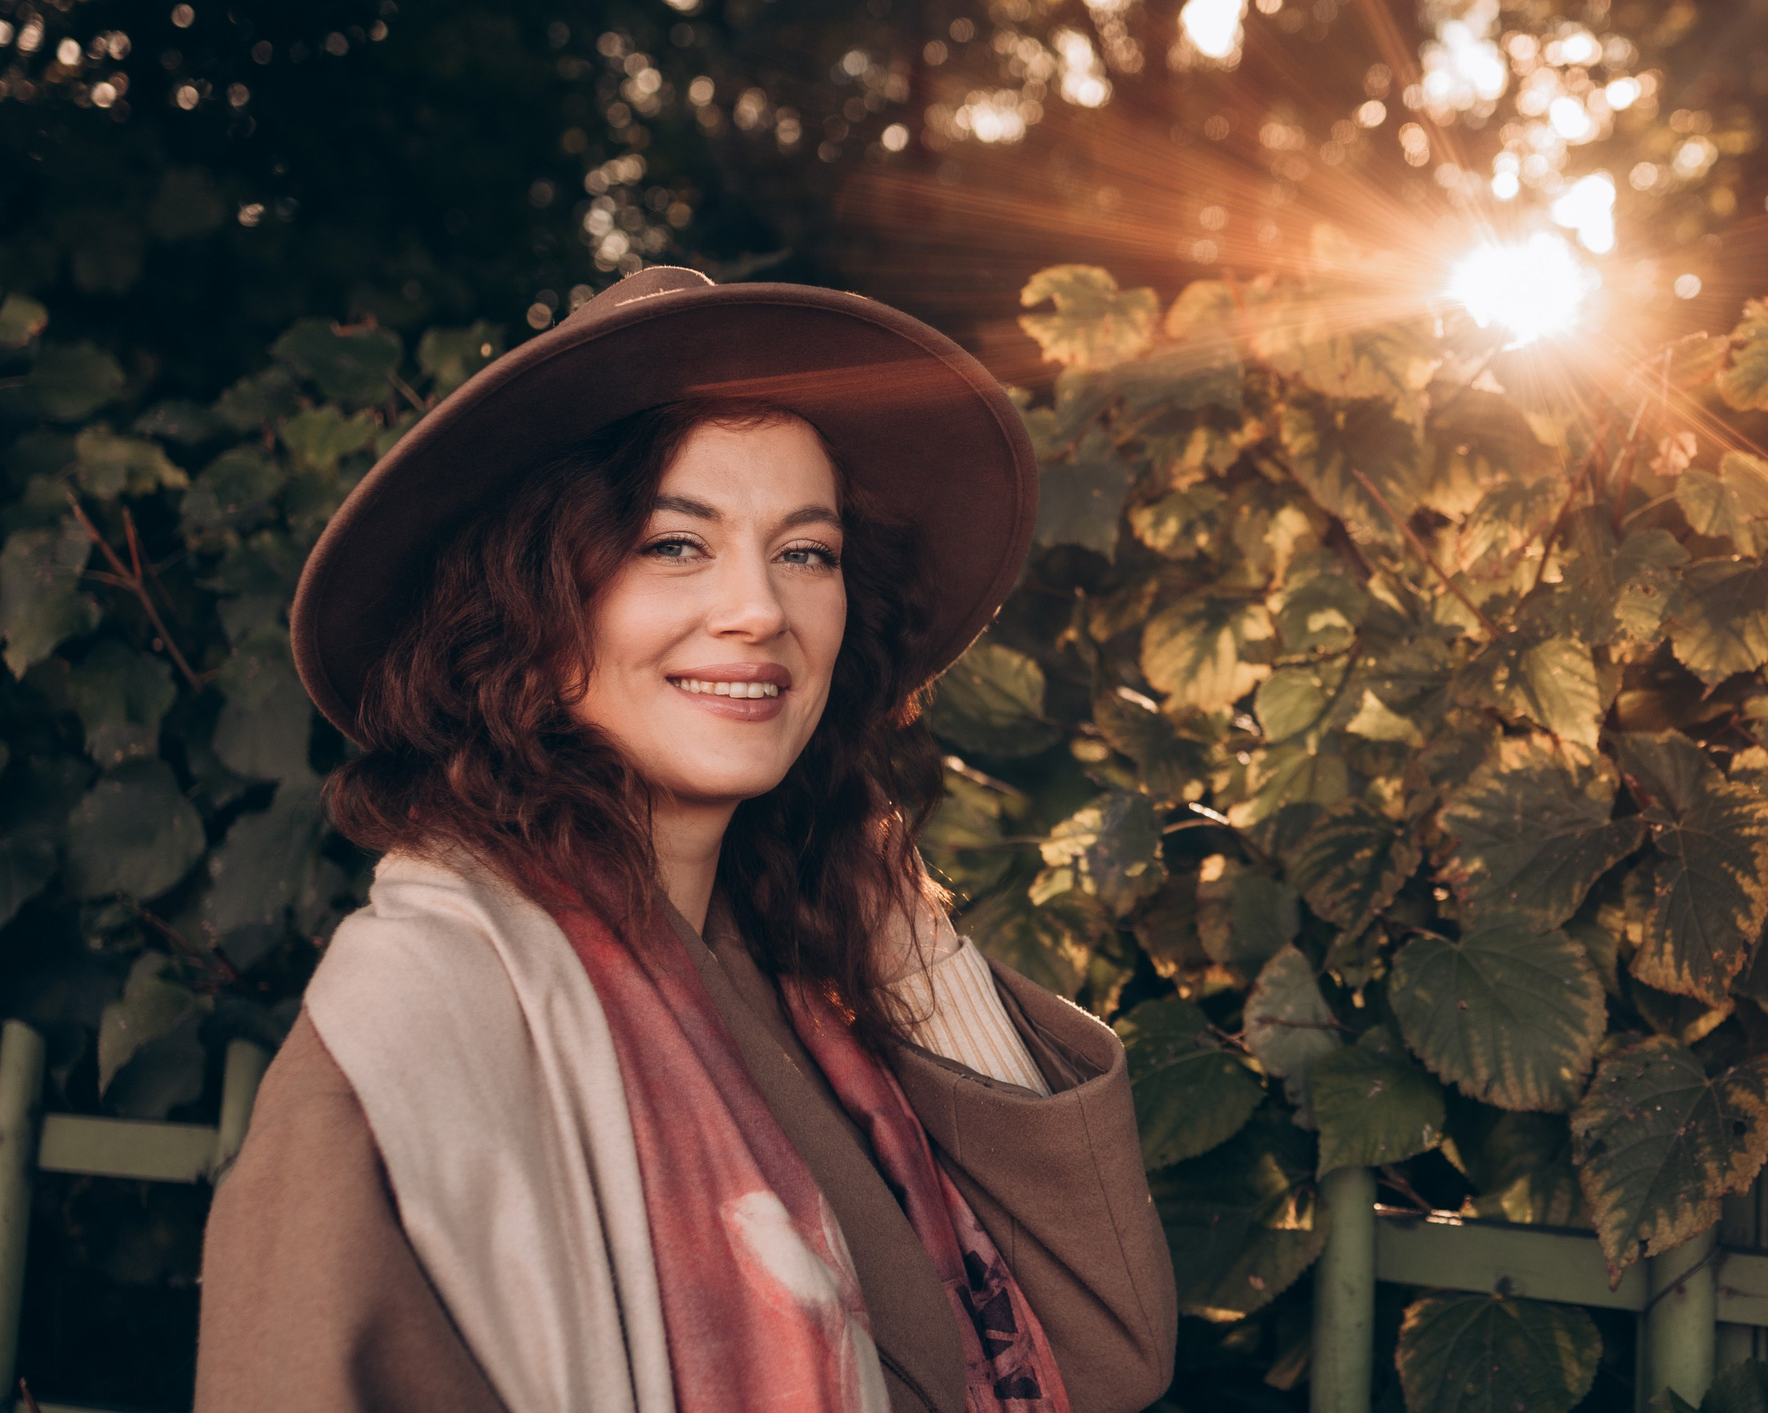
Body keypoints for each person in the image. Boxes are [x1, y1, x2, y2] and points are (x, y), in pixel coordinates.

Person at [198, 266, 1177, 1413]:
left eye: (806, 552)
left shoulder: (800, 998)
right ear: (529, 602)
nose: (760, 608)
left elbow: (1102, 1356)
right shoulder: (416, 1032)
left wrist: (904, 933)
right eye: (674, 543)